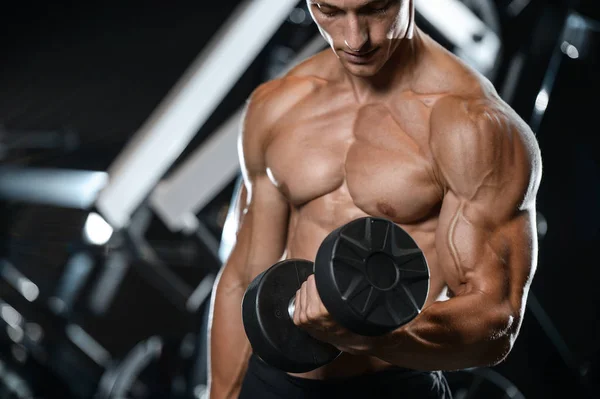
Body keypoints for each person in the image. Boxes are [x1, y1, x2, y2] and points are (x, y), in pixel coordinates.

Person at [207, 0, 542, 397]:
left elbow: (495, 319)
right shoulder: (278, 105)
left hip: (392, 383)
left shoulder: (472, 124)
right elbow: (243, 277)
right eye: (329, 10)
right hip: (274, 383)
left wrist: (369, 339)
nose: (354, 39)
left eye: (375, 9)